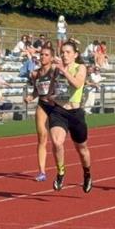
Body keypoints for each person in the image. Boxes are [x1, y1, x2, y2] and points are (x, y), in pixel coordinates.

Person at [43, 41, 92, 193]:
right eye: (62, 52)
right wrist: (49, 96)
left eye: (68, 52)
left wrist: (64, 71)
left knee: (82, 149)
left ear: (75, 55)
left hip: (76, 113)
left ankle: (87, 174)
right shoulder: (57, 70)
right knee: (57, 142)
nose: (64, 55)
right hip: (59, 111)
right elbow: (51, 88)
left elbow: (77, 84)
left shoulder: (80, 67)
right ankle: (61, 172)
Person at [24, 45, 57, 182]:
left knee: (56, 140)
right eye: (42, 54)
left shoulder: (55, 71)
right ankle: (42, 172)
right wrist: (31, 97)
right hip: (42, 105)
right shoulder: (35, 74)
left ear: (51, 58)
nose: (43, 57)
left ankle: (60, 168)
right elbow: (36, 91)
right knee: (42, 138)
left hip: (56, 106)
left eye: (46, 55)